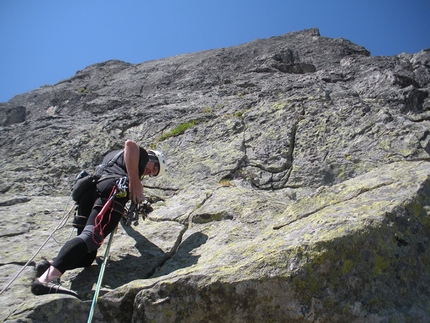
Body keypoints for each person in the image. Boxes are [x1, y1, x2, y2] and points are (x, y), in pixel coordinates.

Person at [31, 140, 166, 297]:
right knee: (90, 238)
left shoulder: (112, 157)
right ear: (151, 156)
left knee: (88, 257)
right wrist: (135, 182)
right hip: (112, 190)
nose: (150, 172)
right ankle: (47, 279)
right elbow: (130, 145)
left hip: (91, 192)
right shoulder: (140, 155)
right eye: (154, 167)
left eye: (152, 174)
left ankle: (49, 265)